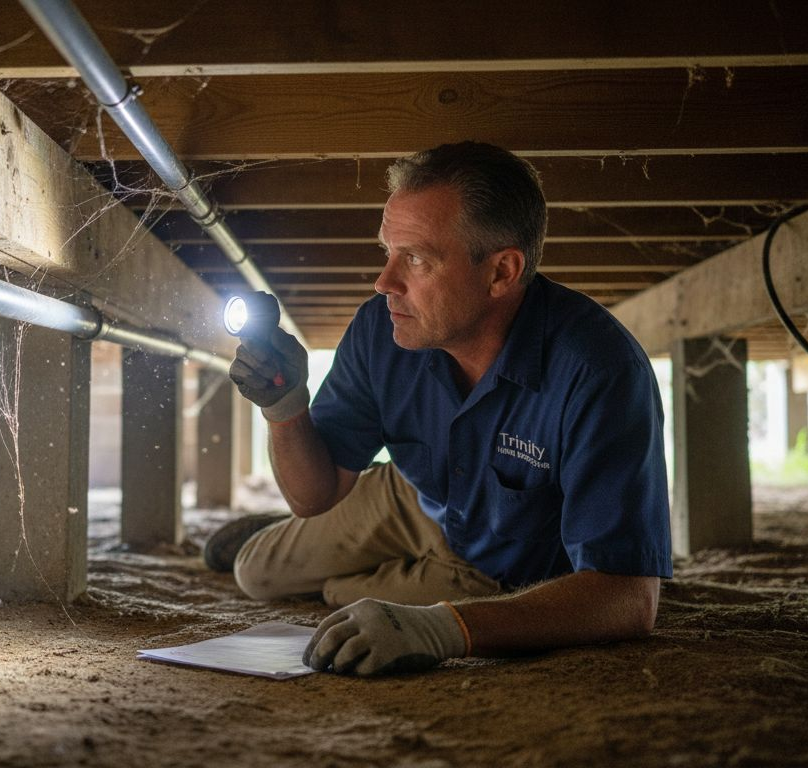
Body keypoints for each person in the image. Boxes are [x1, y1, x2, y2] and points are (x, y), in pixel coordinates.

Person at [213, 141, 672, 677]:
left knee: (361, 609)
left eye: (416, 258)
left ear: (501, 272)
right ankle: (361, 564)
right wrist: (285, 407)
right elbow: (314, 496)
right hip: (416, 495)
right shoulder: (380, 328)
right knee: (255, 573)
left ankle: (366, 580)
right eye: (387, 251)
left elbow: (629, 598)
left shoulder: (599, 370)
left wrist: (446, 628)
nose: (384, 282)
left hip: (499, 569)